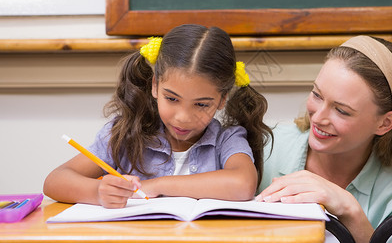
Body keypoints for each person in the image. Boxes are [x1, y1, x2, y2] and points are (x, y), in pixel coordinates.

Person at [44, 24, 272, 208]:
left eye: (201, 104)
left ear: (222, 99)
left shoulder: (227, 140)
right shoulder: (125, 135)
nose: (183, 117)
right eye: (172, 99)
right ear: (155, 85)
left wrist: (156, 185)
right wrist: (98, 192)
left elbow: (243, 184)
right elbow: (55, 181)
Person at [256, 35, 392, 243]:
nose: (319, 118)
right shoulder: (267, 147)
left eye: (341, 110)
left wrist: (351, 212)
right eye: (317, 95)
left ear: (384, 123)